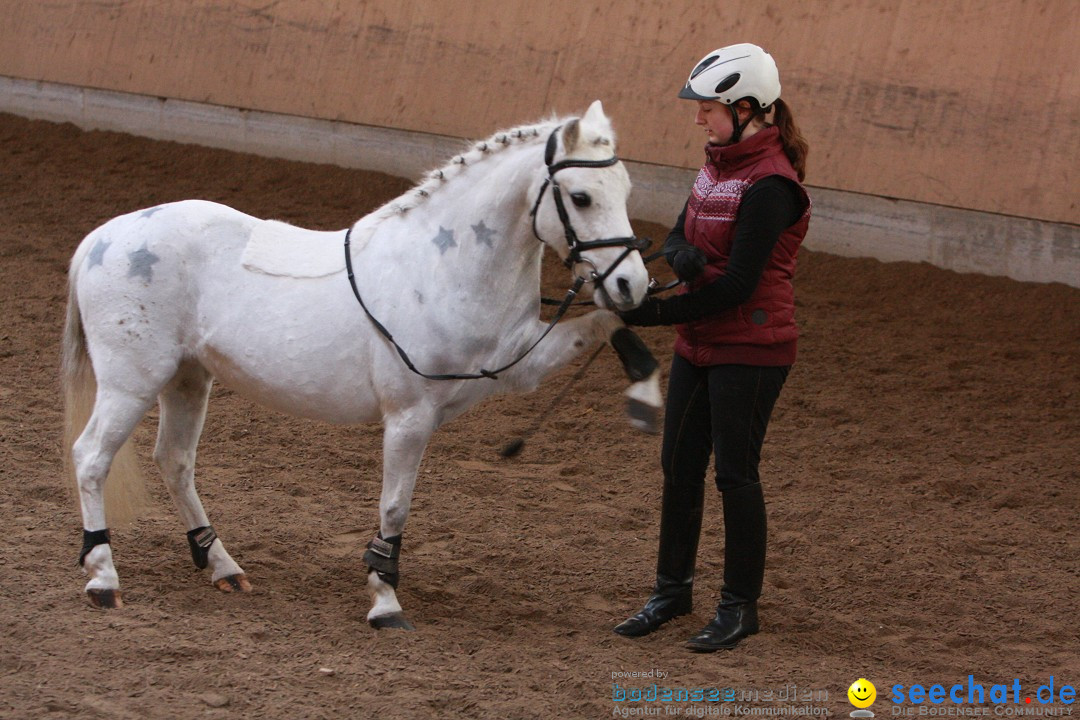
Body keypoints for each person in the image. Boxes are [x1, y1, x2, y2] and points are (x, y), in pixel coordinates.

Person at [614, 43, 811, 651]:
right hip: (700, 342)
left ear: (746, 107)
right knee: (678, 466)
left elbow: (735, 287)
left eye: (709, 107)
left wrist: (656, 313)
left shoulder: (772, 185)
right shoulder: (717, 167)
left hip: (751, 346)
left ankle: (739, 606)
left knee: (734, 474)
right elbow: (678, 233)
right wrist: (680, 255)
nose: (700, 117)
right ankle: (672, 591)